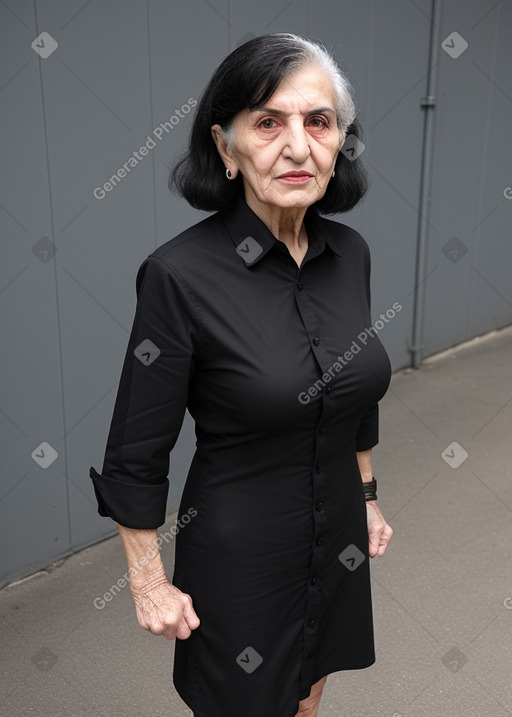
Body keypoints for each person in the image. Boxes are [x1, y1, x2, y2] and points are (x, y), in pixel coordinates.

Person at [90, 32, 393, 717]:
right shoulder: (179, 276)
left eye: (318, 122)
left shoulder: (351, 254)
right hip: (241, 560)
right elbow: (135, 451)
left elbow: (356, 390)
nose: (296, 145)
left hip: (337, 532)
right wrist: (147, 581)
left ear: (341, 142)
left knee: (310, 700)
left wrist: (367, 492)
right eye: (267, 122)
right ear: (226, 148)